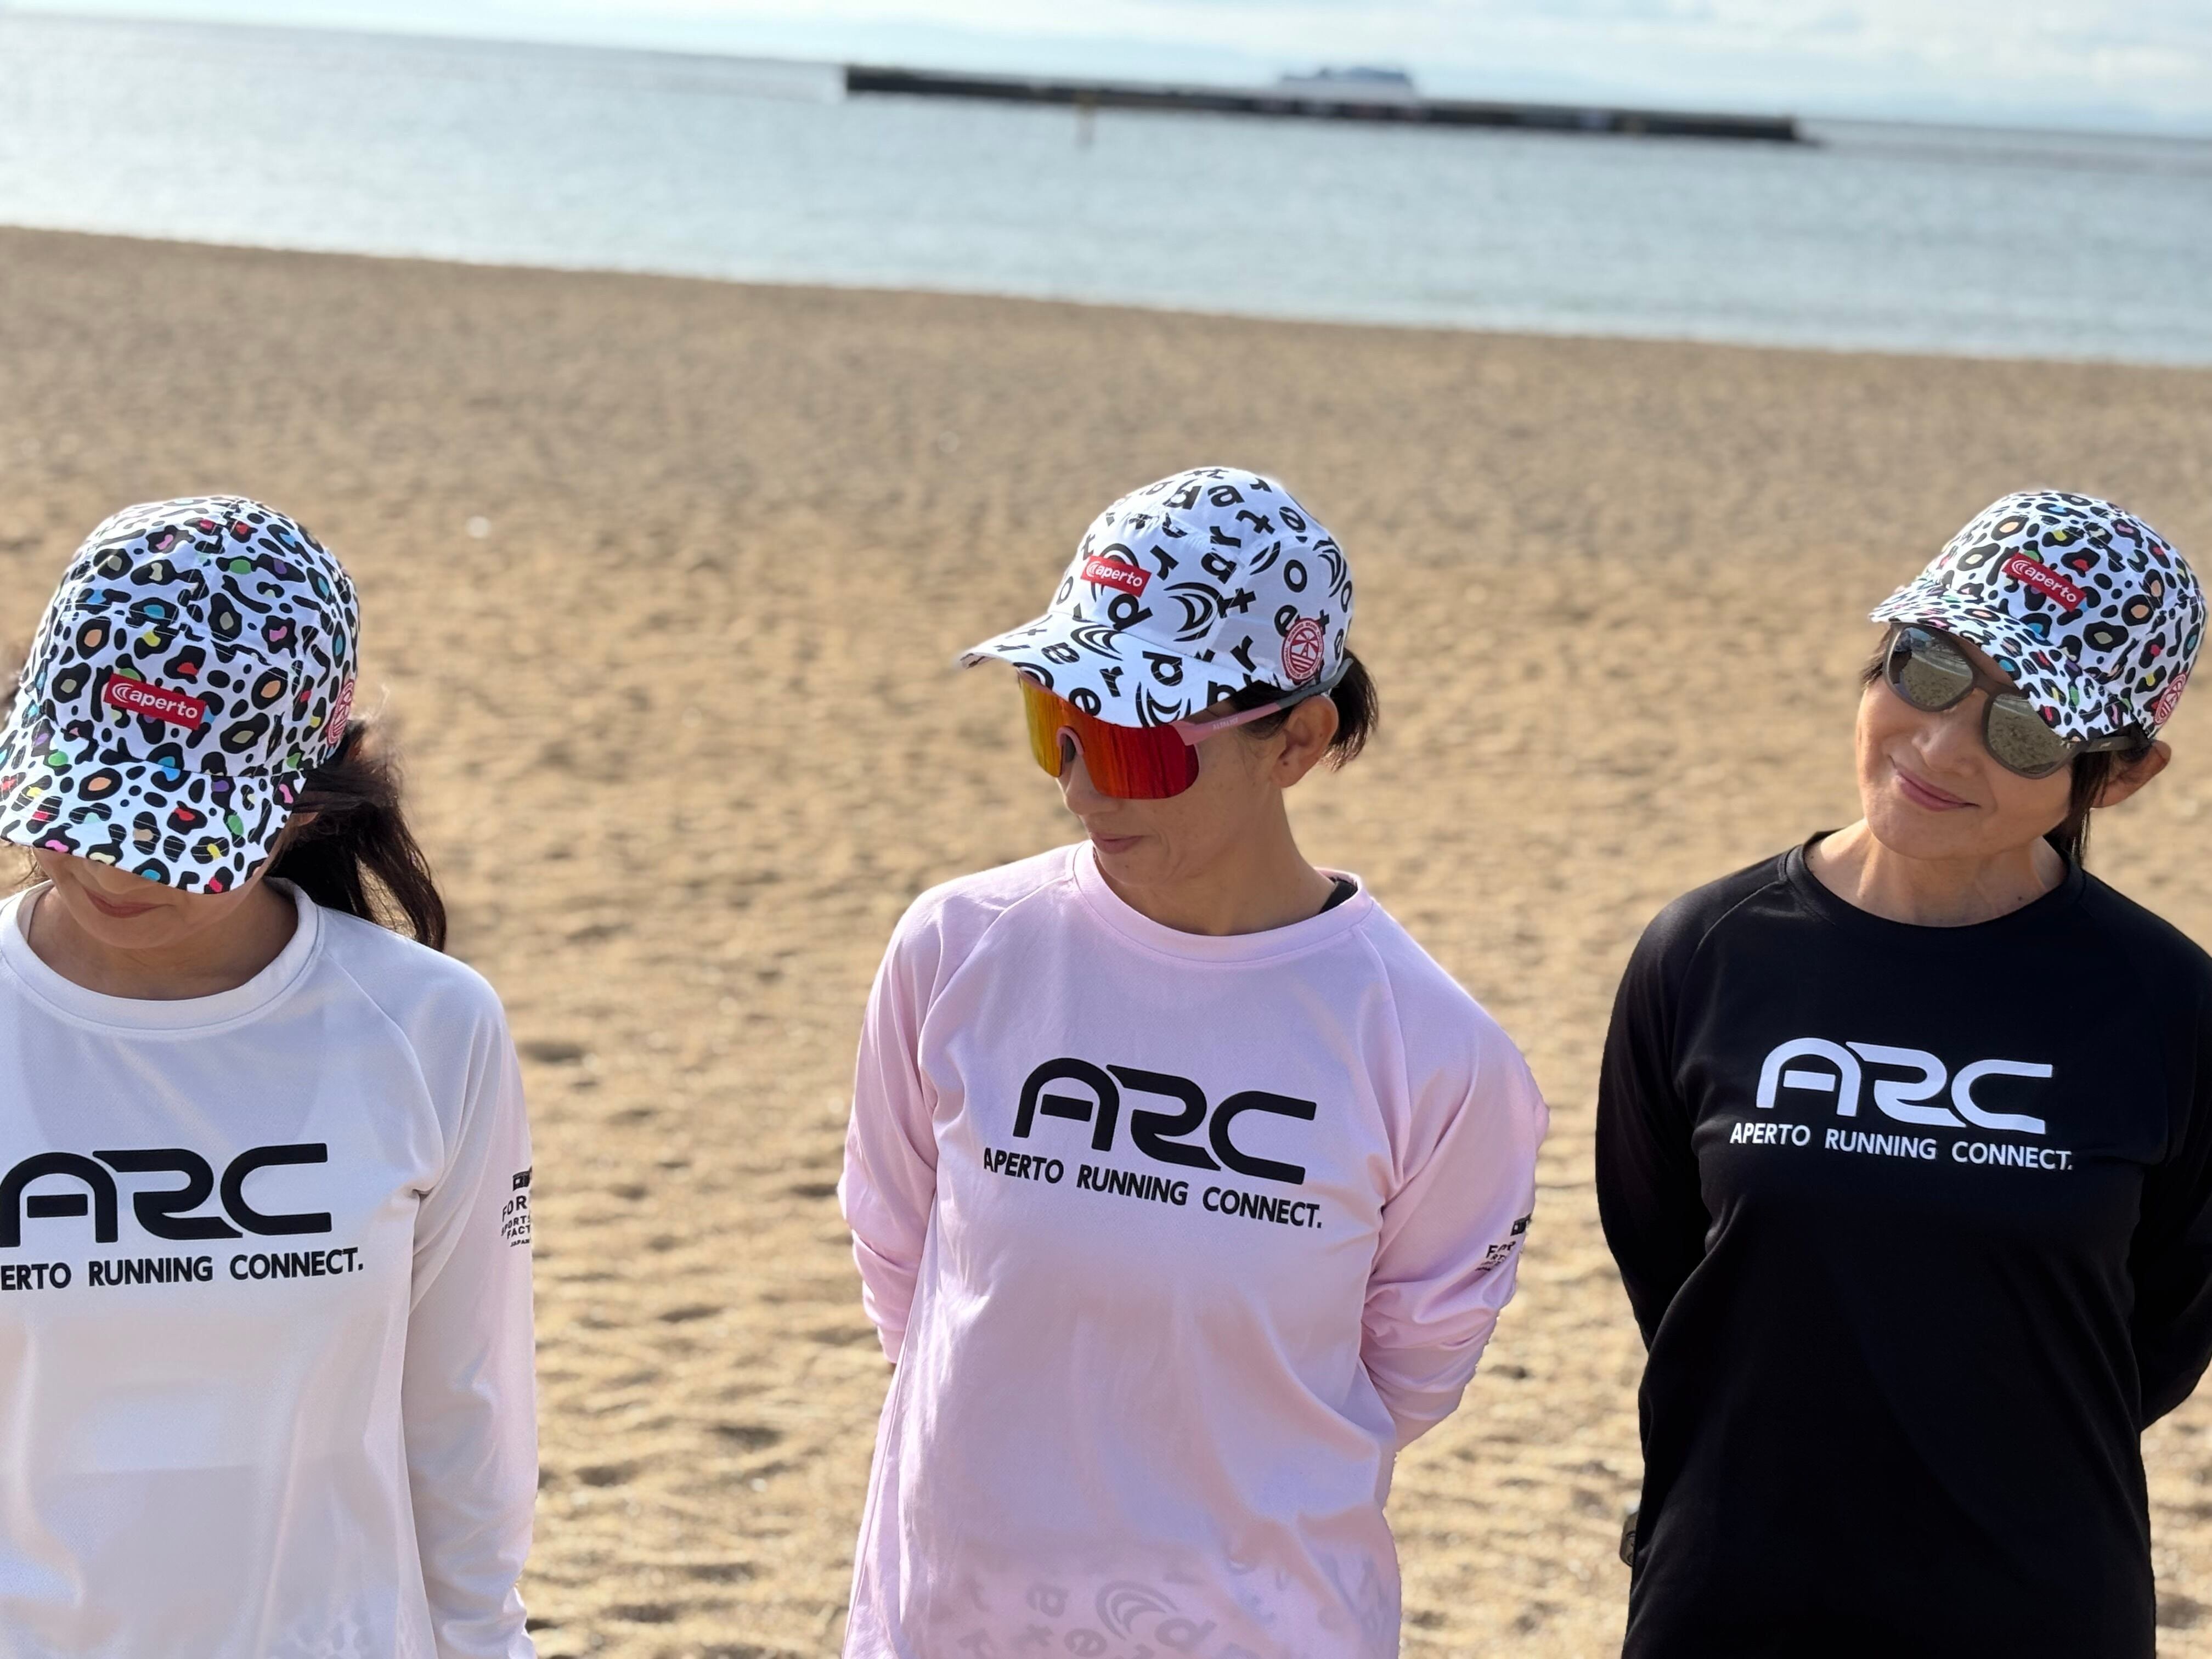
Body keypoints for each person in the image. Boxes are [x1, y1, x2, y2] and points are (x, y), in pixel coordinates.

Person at [837, 465, 1548, 1658]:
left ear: (1298, 741)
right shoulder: (957, 950)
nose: (1077, 784)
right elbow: (899, 1260)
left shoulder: (1435, 1054)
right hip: (948, 1619)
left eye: (1133, 745)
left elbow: (1407, 1375)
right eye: (1054, 722)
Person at [1598, 489, 2212, 1657]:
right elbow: (1671, 1272)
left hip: (2037, 1606)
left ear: (2122, 775)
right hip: (1730, 1589)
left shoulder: (2172, 1008)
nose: (1939, 746)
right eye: (1927, 671)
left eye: (2025, 729)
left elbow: (2162, 1332)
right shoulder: (1706, 953)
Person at [0, 498, 537, 1656]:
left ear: (308, 799)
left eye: (169, 831)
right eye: (86, 806)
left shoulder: (430, 1029)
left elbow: (465, 1412)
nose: (111, 867)